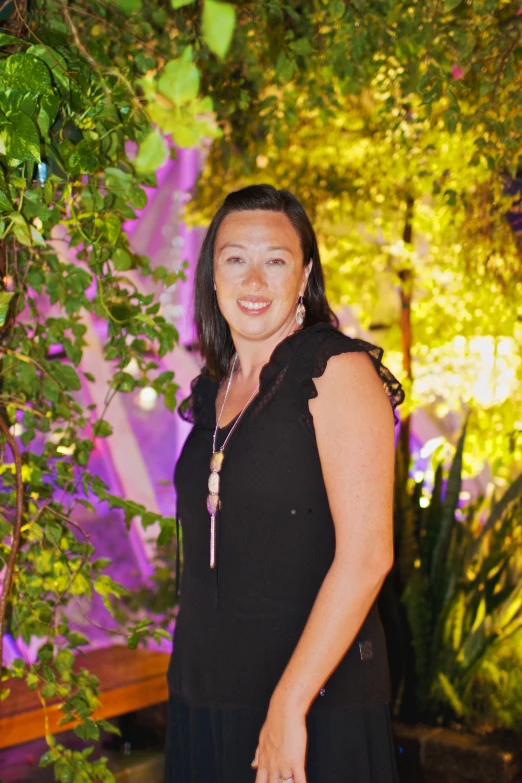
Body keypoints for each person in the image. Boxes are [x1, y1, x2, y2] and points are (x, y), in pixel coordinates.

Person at [165, 184, 405, 783]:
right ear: (211, 276)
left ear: (304, 276)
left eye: (274, 260)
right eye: (234, 259)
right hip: (205, 702)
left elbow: (368, 556)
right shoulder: (214, 390)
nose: (253, 280)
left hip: (309, 711)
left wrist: (288, 706)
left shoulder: (335, 372)